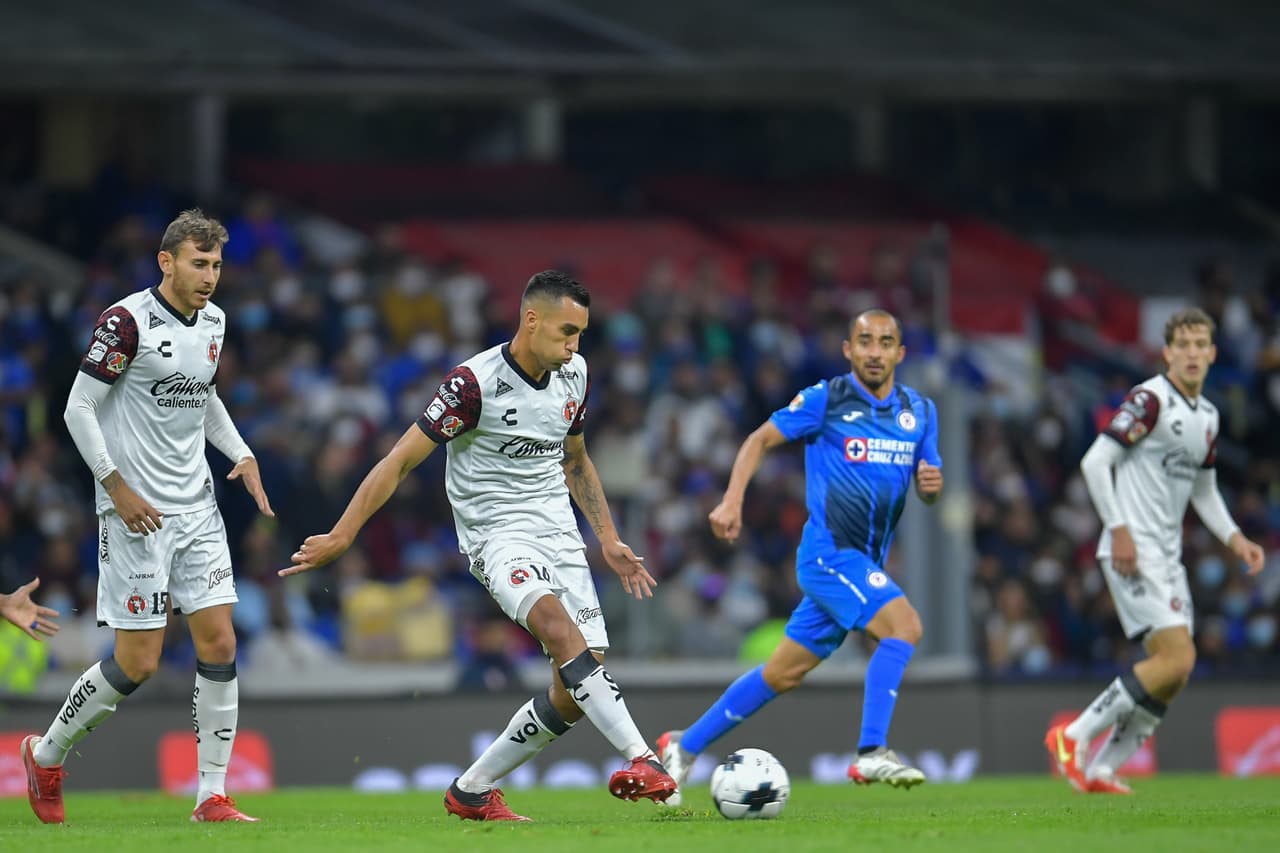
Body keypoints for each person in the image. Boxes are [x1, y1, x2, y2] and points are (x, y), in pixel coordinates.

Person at [280, 271, 676, 821]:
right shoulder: (473, 385)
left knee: (578, 684)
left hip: (559, 532)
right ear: (530, 320)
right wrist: (344, 533)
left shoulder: (575, 374)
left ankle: (470, 790)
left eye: (581, 334)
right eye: (566, 332)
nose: (574, 346)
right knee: (561, 632)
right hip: (496, 535)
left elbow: (577, 459)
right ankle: (644, 758)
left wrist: (606, 538)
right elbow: (398, 461)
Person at [21, 209, 274, 825]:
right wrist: (117, 486)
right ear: (167, 262)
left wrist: (240, 453)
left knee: (219, 640)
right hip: (135, 514)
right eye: (198, 263)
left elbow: (203, 394)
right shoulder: (126, 322)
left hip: (198, 509)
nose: (210, 276)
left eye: (215, 264)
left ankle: (211, 794)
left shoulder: (214, 321)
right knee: (138, 662)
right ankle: (46, 753)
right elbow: (78, 410)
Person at [657, 309, 943, 803]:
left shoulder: (920, 412)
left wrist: (931, 486)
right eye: (865, 341)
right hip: (830, 554)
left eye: (885, 342)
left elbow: (930, 483)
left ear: (900, 352)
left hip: (865, 564)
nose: (875, 351)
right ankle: (872, 751)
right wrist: (731, 499)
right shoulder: (826, 400)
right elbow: (759, 440)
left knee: (782, 672)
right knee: (905, 628)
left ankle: (683, 745)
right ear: (848, 350)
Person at [1045, 307, 1265, 795]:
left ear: (1211, 353)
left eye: (1199, 345)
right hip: (1132, 549)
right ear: (1167, 352)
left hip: (1168, 557)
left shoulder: (1207, 417)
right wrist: (1118, 529)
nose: (1191, 353)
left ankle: (1101, 769)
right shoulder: (1149, 400)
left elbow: (1204, 491)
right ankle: (1072, 735)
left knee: (1171, 676)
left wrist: (1236, 540)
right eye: (1181, 345)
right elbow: (1095, 461)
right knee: (1177, 660)